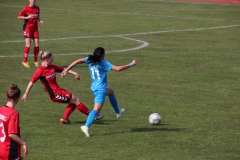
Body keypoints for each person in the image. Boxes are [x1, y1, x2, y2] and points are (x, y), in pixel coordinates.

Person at [61, 47, 136, 137]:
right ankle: (86, 126)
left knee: (111, 92)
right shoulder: (104, 63)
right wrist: (131, 64)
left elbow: (77, 61)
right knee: (96, 110)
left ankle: (118, 112)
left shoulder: (89, 59)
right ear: (103, 55)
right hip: (101, 89)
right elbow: (118, 69)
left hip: (94, 87)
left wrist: (67, 70)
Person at [22, 51, 104, 124]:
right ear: (46, 59)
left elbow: (63, 69)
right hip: (54, 94)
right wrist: (26, 94)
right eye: (51, 58)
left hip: (59, 90)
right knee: (76, 100)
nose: (52, 60)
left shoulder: (52, 67)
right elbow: (31, 82)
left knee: (74, 102)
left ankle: (64, 119)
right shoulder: (40, 71)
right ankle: (93, 116)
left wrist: (74, 73)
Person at [0, 84, 28, 160]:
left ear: (6, 96)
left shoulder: (0, 110)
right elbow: (11, 134)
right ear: (18, 98)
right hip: (9, 152)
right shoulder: (13, 113)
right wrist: (23, 143)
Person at [18, 0, 44, 68]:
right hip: (27, 28)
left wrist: (40, 20)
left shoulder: (37, 8)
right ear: (29, 0)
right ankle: (25, 61)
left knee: (37, 45)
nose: (33, 0)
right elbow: (19, 16)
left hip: (35, 29)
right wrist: (27, 17)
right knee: (28, 44)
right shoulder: (26, 8)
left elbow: (37, 16)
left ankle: (35, 61)